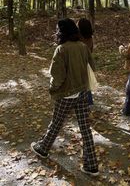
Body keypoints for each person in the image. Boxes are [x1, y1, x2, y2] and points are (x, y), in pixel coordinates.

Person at [31, 18, 99, 176]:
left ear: (61, 32)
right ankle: (92, 165)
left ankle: (43, 148)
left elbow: (57, 76)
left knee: (56, 123)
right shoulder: (83, 46)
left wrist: (52, 89)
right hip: (82, 93)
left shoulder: (61, 49)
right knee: (85, 129)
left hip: (66, 95)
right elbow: (92, 67)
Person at [77, 18, 94, 105]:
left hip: (78, 63)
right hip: (86, 63)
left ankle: (83, 103)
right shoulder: (90, 38)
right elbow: (91, 51)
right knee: (86, 84)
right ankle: (89, 102)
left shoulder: (78, 38)